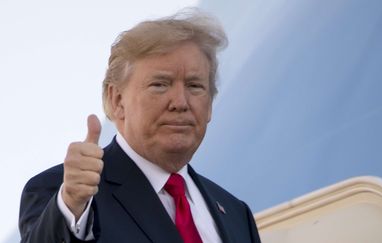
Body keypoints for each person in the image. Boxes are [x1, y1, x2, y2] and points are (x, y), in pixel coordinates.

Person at [18, 8, 261, 243]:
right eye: (160, 84)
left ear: (209, 105)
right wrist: (71, 206)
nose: (180, 102)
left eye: (194, 86)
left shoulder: (236, 214)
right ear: (117, 100)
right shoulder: (66, 195)